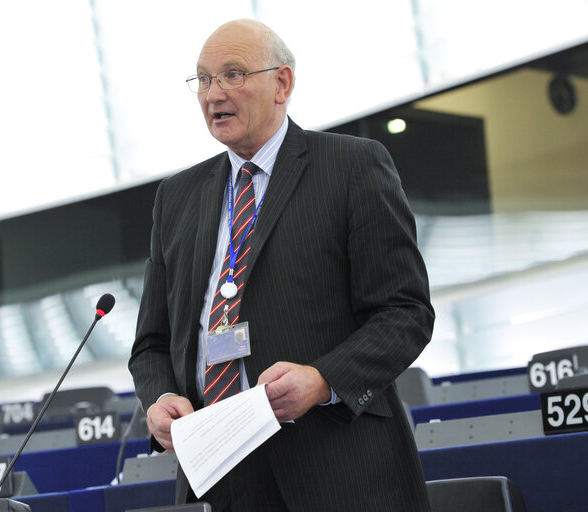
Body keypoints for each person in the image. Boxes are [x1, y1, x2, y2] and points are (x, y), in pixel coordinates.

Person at [129, 18, 434, 511]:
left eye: (232, 74)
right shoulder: (177, 197)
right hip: (220, 474)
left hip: (336, 467)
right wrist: (159, 399)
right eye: (203, 80)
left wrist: (322, 379)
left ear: (282, 83)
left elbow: (405, 312)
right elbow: (151, 344)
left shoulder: (353, 166)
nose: (213, 94)